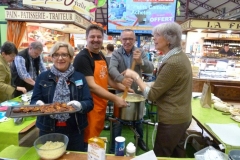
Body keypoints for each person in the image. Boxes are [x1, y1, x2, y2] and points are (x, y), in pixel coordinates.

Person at [123, 22, 192, 158]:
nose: (154, 38)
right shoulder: (178, 57)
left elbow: (152, 96)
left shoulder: (173, 62)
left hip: (172, 119)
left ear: (169, 39)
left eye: (157, 35)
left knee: (161, 154)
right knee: (177, 153)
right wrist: (146, 84)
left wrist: (136, 77)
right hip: (181, 116)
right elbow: (165, 84)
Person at [73, 24, 129, 149]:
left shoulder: (100, 54)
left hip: (100, 104)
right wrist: (115, 99)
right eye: (92, 36)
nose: (96, 39)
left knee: (95, 136)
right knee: (87, 139)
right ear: (86, 38)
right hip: (89, 107)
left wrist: (122, 87)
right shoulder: (83, 58)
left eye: (99, 37)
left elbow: (107, 78)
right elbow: (92, 86)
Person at [30, 42, 93, 151]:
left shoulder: (79, 77)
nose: (60, 58)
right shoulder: (43, 77)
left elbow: (89, 102)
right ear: (52, 57)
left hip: (74, 129)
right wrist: (38, 105)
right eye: (56, 55)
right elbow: (34, 100)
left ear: (70, 57)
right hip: (48, 129)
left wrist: (80, 105)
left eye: (64, 55)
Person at [108, 29, 154, 153]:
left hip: (136, 92)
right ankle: (114, 145)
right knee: (117, 120)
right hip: (122, 92)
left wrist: (141, 62)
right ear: (121, 39)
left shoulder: (140, 52)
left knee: (138, 120)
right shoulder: (117, 53)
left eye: (130, 39)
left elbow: (151, 68)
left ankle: (140, 140)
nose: (127, 41)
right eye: (125, 39)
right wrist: (121, 79)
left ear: (134, 40)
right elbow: (112, 68)